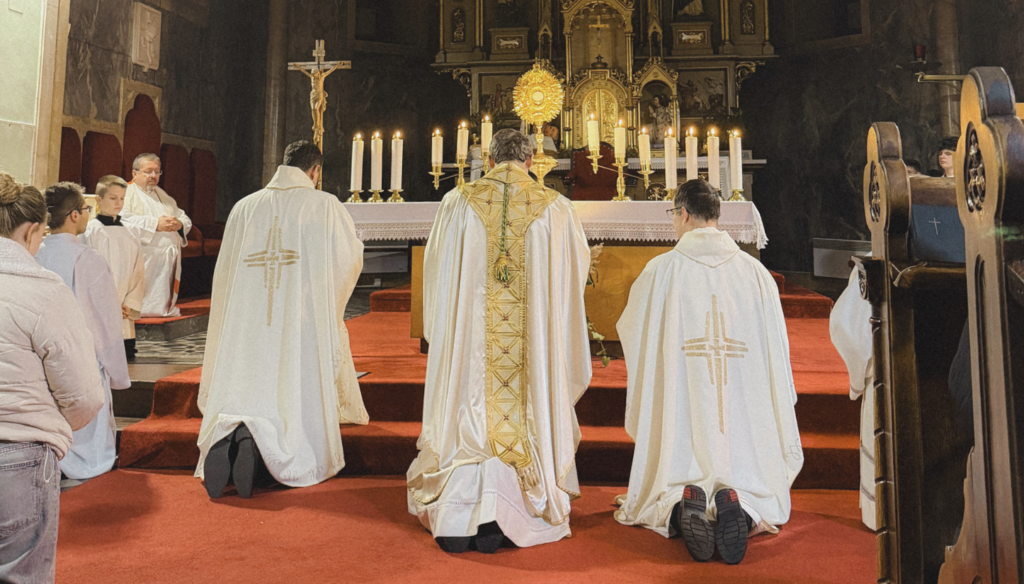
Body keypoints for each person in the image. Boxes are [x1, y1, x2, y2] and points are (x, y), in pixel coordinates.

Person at [407, 129, 592, 553]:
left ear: (489, 162)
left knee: (469, 411)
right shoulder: (556, 208)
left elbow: (435, 274)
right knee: (523, 415)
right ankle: (508, 512)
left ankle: (459, 509)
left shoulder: (457, 202)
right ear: (530, 161)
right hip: (529, 356)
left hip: (471, 347)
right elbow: (572, 280)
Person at [614, 179, 803, 565]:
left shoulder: (661, 271)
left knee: (669, 478)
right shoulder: (755, 273)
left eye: (673, 214)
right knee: (753, 477)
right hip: (743, 402)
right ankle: (740, 506)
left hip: (683, 400)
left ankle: (681, 507)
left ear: (684, 214)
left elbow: (632, 331)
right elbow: (775, 347)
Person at [195, 141, 367, 499]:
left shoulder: (244, 207)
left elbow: (224, 271)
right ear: (315, 171)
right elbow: (348, 260)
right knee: (291, 388)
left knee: (249, 384)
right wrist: (327, 308)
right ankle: (266, 446)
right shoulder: (324, 205)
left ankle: (234, 431)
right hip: (299, 320)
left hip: (247, 320)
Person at [0, 172, 104, 582]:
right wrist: (50, 424)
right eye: (42, 234)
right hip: (17, 453)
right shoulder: (42, 291)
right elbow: (83, 396)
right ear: (29, 231)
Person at [35, 182, 131, 480]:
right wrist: (117, 372)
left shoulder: (34, 253)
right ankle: (85, 460)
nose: (89, 214)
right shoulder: (88, 259)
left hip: (39, 356)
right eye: (86, 209)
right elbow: (105, 323)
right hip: (82, 359)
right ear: (74, 215)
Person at [829, 267, 877, 531]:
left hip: (890, 375)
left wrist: (857, 380)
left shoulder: (872, 266)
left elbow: (846, 328)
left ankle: (880, 512)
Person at [82, 175, 146, 359]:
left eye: (122, 198)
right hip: (100, 309)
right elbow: (88, 272)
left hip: (125, 312)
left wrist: (130, 303)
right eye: (113, 198)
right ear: (98, 199)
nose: (119, 203)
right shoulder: (90, 231)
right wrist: (108, 304)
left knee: (125, 359)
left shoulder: (131, 232)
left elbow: (138, 271)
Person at [121, 152, 192, 317]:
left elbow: (183, 217)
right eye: (148, 171)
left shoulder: (162, 195)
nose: (153, 176)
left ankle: (162, 309)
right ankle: (137, 310)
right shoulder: (125, 192)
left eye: (157, 172)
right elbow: (122, 219)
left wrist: (179, 224)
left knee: (161, 291)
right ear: (134, 173)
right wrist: (155, 224)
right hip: (143, 255)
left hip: (165, 258)